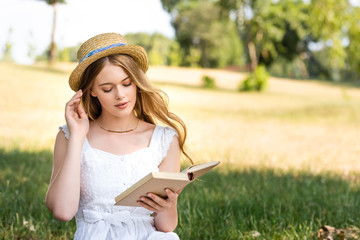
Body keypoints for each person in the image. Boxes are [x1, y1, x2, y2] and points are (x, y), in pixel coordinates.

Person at [45, 32, 193, 240]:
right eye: (107, 88)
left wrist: (169, 205)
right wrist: (78, 137)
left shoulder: (164, 139)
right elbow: (62, 212)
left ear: (137, 82)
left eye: (127, 84)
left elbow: (166, 226)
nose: (120, 95)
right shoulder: (69, 136)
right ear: (92, 91)